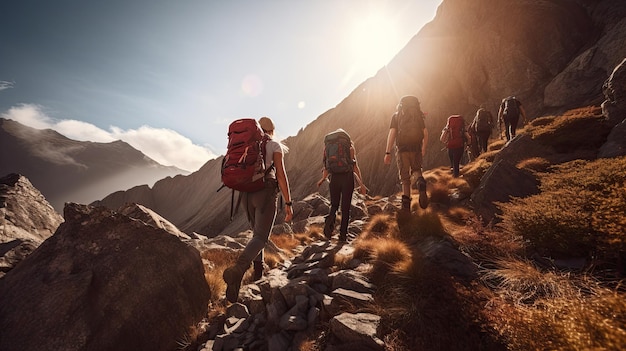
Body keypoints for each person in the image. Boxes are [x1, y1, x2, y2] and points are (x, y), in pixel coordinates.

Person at [223, 116, 293, 303]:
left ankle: (258, 273)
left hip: (246, 193)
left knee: (256, 234)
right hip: (265, 193)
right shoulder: (274, 146)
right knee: (261, 238)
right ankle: (238, 270)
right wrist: (288, 203)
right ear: (272, 130)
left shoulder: (249, 144)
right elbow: (280, 175)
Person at [316, 129, 367, 242]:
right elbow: (355, 167)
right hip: (347, 178)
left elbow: (326, 166)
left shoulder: (328, 148)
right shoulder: (350, 148)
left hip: (334, 178)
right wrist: (361, 184)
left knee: (334, 205)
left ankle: (329, 228)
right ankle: (343, 235)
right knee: (345, 208)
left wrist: (322, 179)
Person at [383, 95, 429, 211]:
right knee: (417, 170)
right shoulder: (418, 115)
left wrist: (388, 152)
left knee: (405, 179)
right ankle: (421, 183)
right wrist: (423, 148)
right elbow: (425, 133)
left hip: (402, 150)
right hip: (416, 148)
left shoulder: (396, 116)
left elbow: (392, 134)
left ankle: (406, 207)